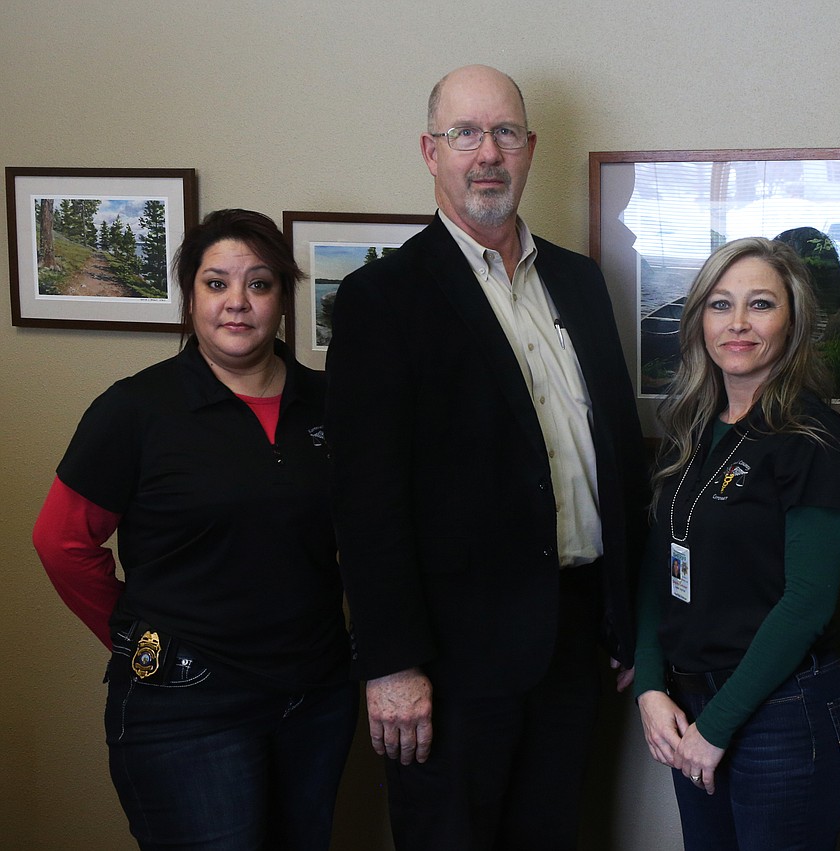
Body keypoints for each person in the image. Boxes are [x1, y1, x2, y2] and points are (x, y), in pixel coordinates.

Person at [324, 65, 647, 851]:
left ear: (531, 148)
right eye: (464, 133)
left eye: (504, 132)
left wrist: (628, 616)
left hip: (573, 641)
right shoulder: (382, 299)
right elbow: (366, 503)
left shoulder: (577, 280)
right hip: (450, 661)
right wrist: (392, 664)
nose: (487, 153)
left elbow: (617, 453)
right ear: (430, 152)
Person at [31, 209, 357, 851]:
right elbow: (62, 543)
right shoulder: (136, 410)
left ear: (283, 299)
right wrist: (138, 639)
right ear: (189, 295)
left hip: (314, 698)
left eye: (259, 284)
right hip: (187, 703)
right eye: (216, 284)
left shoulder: (332, 404)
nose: (237, 303)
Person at [633, 237, 840, 850]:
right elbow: (663, 570)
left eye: (760, 305)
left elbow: (808, 603)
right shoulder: (695, 428)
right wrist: (651, 687)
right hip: (693, 702)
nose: (737, 324)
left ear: (793, 323)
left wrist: (716, 728)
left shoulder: (814, 441)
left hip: (782, 714)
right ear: (697, 321)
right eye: (719, 305)